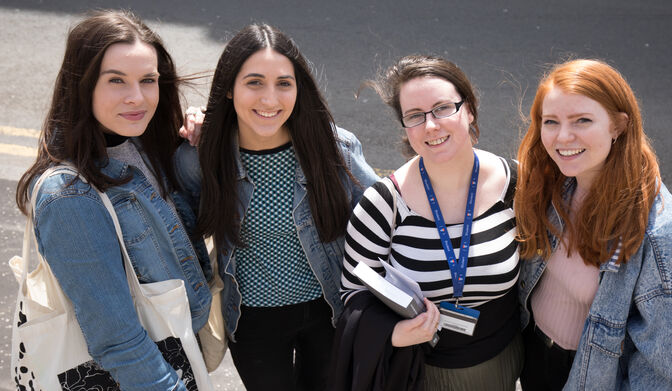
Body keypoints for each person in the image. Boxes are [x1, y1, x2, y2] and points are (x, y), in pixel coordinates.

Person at [174, 23, 379, 391]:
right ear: (228, 90)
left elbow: (380, 219)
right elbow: (181, 232)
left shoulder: (335, 148)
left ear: (299, 89)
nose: (270, 100)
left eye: (284, 83)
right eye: (254, 83)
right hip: (252, 321)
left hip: (329, 310)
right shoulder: (199, 159)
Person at [14, 10, 212, 390]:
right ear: (83, 85)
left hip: (180, 348)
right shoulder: (69, 195)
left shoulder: (145, 144)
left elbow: (199, 228)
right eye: (116, 81)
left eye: (148, 80)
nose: (136, 97)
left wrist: (199, 150)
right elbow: (118, 342)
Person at [337, 55, 523, 390]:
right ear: (406, 130)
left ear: (469, 110)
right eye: (415, 116)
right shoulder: (384, 203)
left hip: (500, 363)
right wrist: (392, 334)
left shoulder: (517, 185)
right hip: (417, 371)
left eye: (442, 108)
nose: (431, 126)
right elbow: (353, 292)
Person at [515, 59, 672, 390]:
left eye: (582, 120)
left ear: (618, 125)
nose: (563, 137)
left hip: (592, 376)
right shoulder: (552, 184)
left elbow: (664, 372)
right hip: (534, 358)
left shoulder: (660, 234)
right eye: (550, 121)